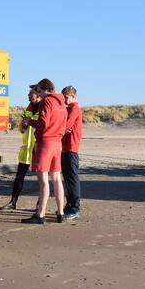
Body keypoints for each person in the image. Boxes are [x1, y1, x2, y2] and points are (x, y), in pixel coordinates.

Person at [22, 78, 68, 225]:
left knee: (43, 181)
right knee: (56, 178)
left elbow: (43, 123)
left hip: (46, 142)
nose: (38, 94)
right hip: (57, 142)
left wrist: (30, 122)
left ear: (46, 89)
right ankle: (61, 213)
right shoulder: (61, 102)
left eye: (40, 91)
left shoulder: (47, 101)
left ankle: (40, 214)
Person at [2, 86, 39, 209]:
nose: (28, 96)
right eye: (28, 94)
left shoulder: (45, 107)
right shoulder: (28, 109)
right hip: (26, 149)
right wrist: (22, 125)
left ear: (38, 95)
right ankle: (13, 202)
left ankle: (40, 206)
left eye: (31, 94)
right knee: (19, 177)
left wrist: (31, 123)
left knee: (42, 179)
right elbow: (21, 128)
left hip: (38, 148)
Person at [61, 86, 83, 220]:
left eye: (66, 97)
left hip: (71, 148)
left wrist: (61, 127)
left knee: (72, 179)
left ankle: (75, 208)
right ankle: (70, 206)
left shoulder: (74, 108)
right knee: (68, 179)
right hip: (65, 148)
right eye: (63, 96)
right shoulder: (67, 108)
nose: (64, 99)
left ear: (74, 96)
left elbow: (66, 125)